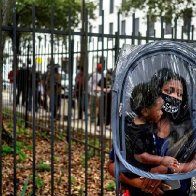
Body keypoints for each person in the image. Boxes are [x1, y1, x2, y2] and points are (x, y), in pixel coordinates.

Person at [107, 68, 196, 196]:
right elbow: (112, 165)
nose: (175, 97)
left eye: (180, 94)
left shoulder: (189, 128)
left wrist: (166, 170)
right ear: (155, 93)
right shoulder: (136, 127)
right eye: (169, 91)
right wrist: (138, 183)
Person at [125, 82, 180, 173]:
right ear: (145, 111)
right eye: (159, 109)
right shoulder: (139, 132)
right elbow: (140, 156)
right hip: (135, 170)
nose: (162, 113)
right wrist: (162, 160)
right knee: (163, 169)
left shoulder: (137, 122)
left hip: (138, 167)